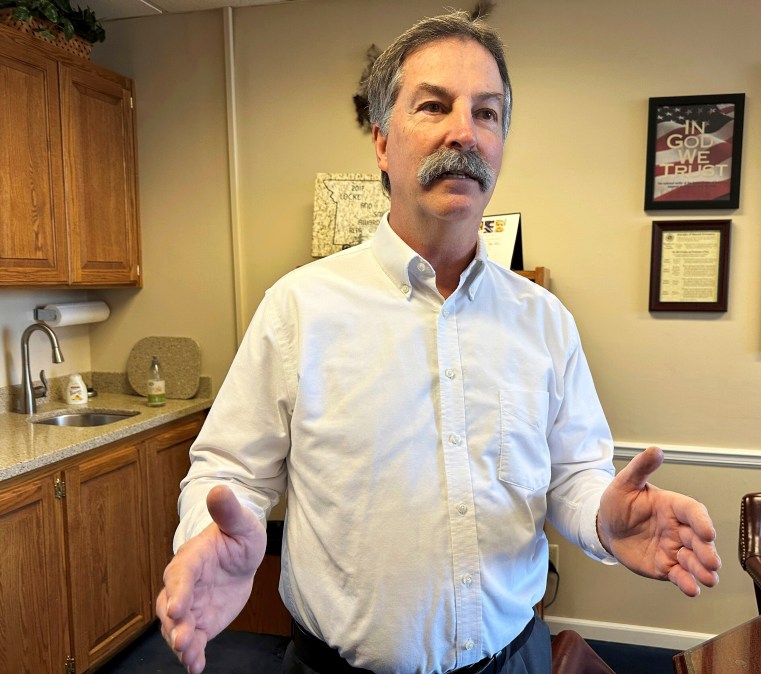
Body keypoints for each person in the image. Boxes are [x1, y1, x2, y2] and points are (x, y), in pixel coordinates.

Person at [156, 11, 721, 674]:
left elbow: (571, 474)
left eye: (487, 112)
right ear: (380, 142)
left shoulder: (543, 321)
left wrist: (602, 516)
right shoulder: (299, 309)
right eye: (433, 106)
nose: (465, 131)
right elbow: (230, 473)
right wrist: (212, 535)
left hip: (513, 660)